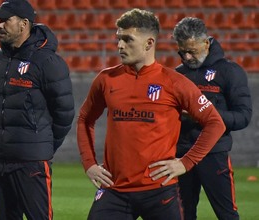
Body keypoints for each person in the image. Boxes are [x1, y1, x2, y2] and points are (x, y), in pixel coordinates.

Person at [77, 9, 226, 220]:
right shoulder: (106, 79)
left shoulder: (175, 82)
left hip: (160, 190)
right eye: (119, 39)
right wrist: (89, 163)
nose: (120, 45)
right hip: (115, 190)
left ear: (149, 43)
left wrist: (185, 162)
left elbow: (214, 123)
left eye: (128, 39)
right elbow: (84, 118)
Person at [0, 0, 75, 219]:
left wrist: (41, 147)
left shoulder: (48, 61)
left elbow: (65, 112)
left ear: (24, 24)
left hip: (31, 162)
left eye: (6, 20)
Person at [173, 17, 252, 220]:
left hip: (214, 154)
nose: (187, 56)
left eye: (192, 50)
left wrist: (203, 115)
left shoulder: (230, 72)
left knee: (227, 215)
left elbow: (243, 116)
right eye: (182, 52)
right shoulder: (176, 76)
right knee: (181, 215)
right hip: (181, 154)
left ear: (206, 43)